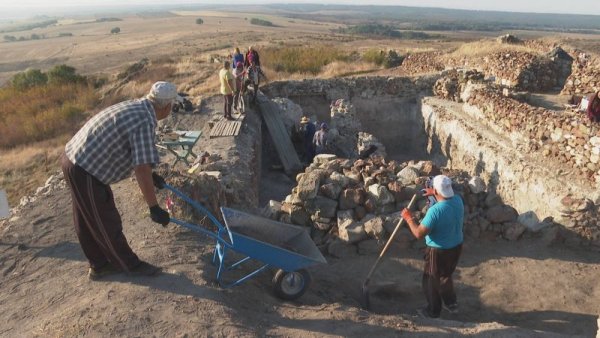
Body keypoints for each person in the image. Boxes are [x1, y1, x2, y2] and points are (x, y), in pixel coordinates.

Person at [61, 81, 176, 281]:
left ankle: (99, 266)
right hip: (85, 166)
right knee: (105, 218)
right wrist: (153, 207)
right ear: (167, 107)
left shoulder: (138, 106)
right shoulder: (145, 121)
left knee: (86, 218)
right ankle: (129, 265)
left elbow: (137, 157)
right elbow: (140, 168)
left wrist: (151, 174)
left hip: (76, 158)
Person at [400, 175, 464, 318]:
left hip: (438, 250)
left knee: (431, 279)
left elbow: (418, 233)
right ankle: (451, 303)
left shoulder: (435, 211)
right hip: (456, 246)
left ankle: (432, 311)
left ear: (435, 190)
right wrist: (433, 192)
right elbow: (447, 197)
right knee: (446, 275)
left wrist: (408, 218)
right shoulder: (458, 201)